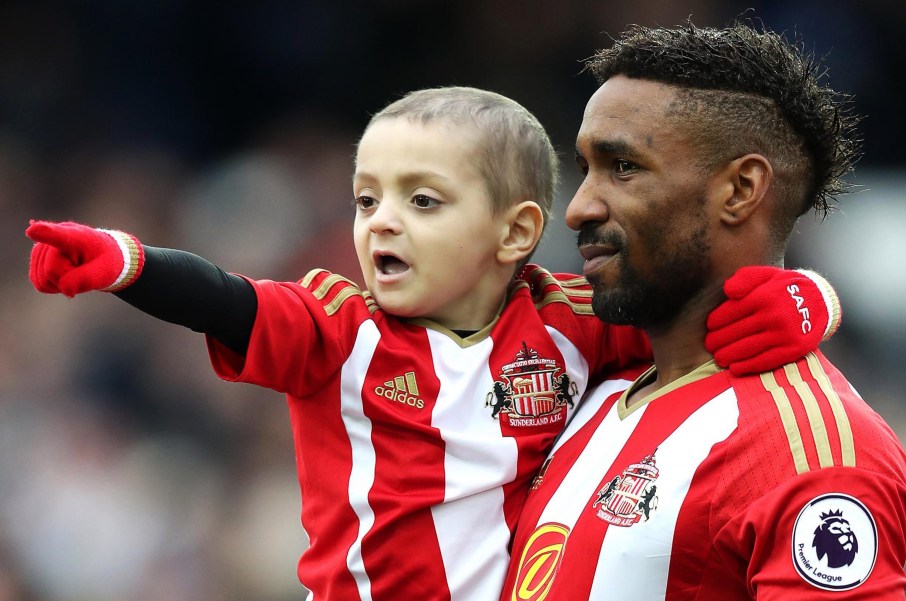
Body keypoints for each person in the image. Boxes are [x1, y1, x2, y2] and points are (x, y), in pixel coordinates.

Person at [26, 87, 840, 600]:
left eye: (422, 200)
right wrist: (129, 263)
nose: (381, 220)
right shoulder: (340, 331)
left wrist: (811, 299)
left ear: (514, 231)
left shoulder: (571, 321)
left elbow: (697, 306)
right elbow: (233, 304)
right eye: (366, 197)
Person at [500, 21, 906, 601]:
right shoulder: (583, 386)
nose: (578, 207)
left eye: (623, 168)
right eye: (586, 167)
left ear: (741, 189)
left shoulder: (813, 450)